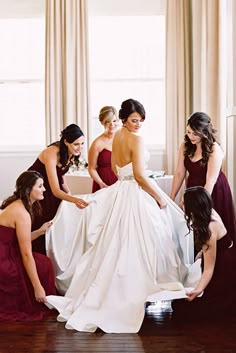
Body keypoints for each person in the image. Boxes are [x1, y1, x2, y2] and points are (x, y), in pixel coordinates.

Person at [45, 99, 200, 333]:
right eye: (134, 120)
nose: (138, 125)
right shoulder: (136, 139)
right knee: (143, 239)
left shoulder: (117, 136)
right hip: (134, 191)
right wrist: (158, 196)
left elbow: (118, 169)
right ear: (124, 119)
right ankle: (138, 290)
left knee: (117, 243)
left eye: (141, 121)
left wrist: (131, 177)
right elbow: (139, 175)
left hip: (121, 189)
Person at [172, 186, 236, 320]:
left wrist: (199, 290)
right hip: (227, 258)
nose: (180, 204)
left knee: (181, 308)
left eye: (184, 203)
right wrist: (202, 251)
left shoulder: (209, 228)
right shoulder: (210, 212)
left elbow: (209, 269)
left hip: (223, 269)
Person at [170, 112, 236, 240]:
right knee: (194, 231)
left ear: (204, 132)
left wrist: (198, 203)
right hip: (194, 188)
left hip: (212, 191)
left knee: (210, 231)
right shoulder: (185, 146)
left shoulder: (214, 149)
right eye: (188, 132)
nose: (191, 137)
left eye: (195, 134)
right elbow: (179, 173)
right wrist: (171, 199)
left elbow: (210, 181)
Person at [0, 171, 56, 321]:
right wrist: (38, 287)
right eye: (40, 186)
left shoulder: (19, 204)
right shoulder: (21, 213)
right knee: (43, 265)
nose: (44, 189)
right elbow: (26, 254)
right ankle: (40, 298)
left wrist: (39, 231)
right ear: (28, 190)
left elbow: (18, 239)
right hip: (3, 258)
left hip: (7, 250)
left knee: (44, 263)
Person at [28, 124, 89, 255]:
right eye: (76, 144)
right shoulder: (51, 152)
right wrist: (74, 199)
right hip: (35, 190)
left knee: (56, 221)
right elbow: (56, 190)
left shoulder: (70, 153)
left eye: (82, 143)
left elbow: (60, 178)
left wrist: (69, 194)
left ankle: (52, 257)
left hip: (50, 188)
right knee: (41, 222)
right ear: (66, 141)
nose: (80, 148)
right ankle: (35, 256)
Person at [88, 106, 119, 192]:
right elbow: (91, 168)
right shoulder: (97, 143)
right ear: (102, 122)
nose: (112, 124)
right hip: (103, 184)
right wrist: (101, 183)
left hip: (120, 183)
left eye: (114, 121)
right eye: (108, 121)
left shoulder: (122, 139)